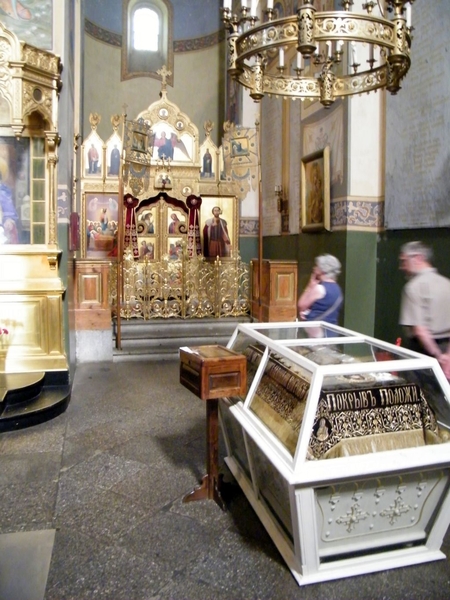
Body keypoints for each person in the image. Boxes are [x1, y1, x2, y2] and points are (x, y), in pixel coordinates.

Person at [399, 241, 450, 377]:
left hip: (422, 351)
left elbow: (420, 331)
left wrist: (438, 356)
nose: (401, 267)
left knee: (416, 389)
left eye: (404, 261)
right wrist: (447, 356)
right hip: (446, 351)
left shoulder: (413, 287)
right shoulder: (447, 284)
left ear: (418, 258)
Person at [298, 254, 343, 333]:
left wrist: (310, 286)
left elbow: (301, 305)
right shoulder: (338, 289)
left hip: (316, 333)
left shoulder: (319, 288)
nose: (314, 268)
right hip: (331, 332)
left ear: (323, 269)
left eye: (317, 266)